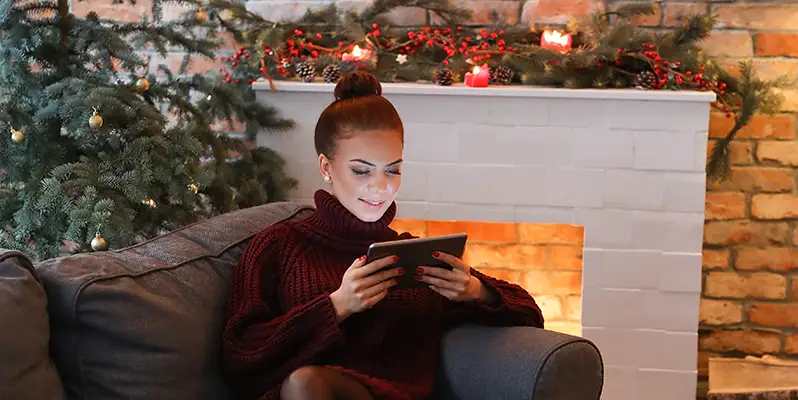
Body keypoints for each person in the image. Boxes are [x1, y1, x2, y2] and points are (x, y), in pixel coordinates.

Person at [220, 71, 545, 400]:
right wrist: (337, 306)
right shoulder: (278, 247)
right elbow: (239, 357)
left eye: (393, 169)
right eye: (361, 170)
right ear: (325, 167)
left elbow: (530, 314)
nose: (381, 186)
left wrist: (476, 291)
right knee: (306, 384)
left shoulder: (415, 257)